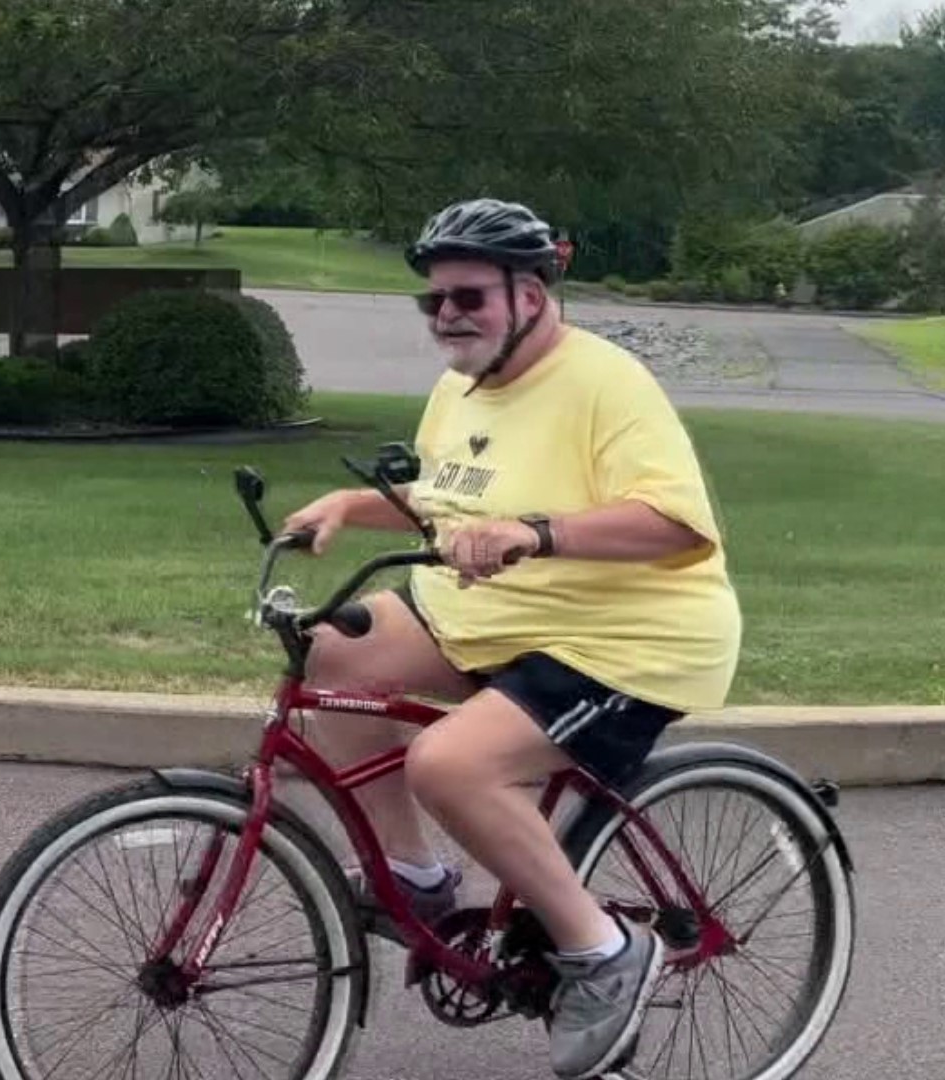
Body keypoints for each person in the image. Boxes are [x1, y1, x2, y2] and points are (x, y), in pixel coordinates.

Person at [280, 198, 742, 1080]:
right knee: (334, 653)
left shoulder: (606, 384)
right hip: (487, 618)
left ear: (529, 294)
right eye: (434, 301)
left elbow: (680, 527)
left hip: (620, 638)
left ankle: (605, 953)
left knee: (451, 764)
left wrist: (537, 532)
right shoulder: (462, 385)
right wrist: (349, 505)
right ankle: (413, 877)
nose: (446, 316)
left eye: (468, 297)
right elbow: (445, 502)